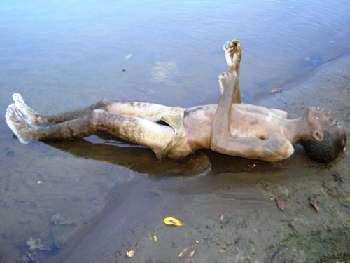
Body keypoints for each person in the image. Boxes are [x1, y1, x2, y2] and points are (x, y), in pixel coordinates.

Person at [5, 40, 346, 163]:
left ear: (316, 135)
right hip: (180, 114)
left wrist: (225, 92)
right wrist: (234, 71)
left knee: (98, 120)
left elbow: (224, 141)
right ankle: (44, 118)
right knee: (105, 104)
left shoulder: (280, 147)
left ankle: (32, 133)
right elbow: (238, 114)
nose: (328, 114)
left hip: (178, 138)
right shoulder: (280, 114)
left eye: (329, 122)